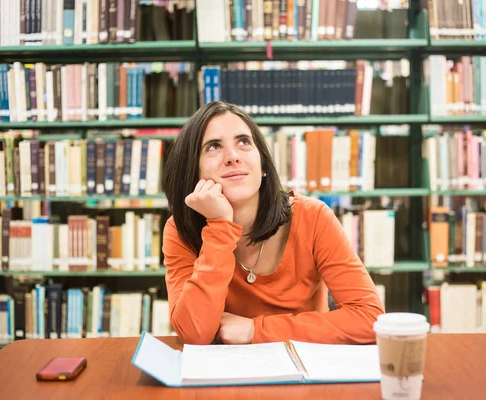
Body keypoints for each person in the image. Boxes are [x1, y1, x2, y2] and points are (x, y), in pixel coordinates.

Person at [161, 101, 385, 345]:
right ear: (192, 171)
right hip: (227, 374)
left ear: (264, 165)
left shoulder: (314, 216)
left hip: (307, 371)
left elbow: (370, 318)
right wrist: (219, 227)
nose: (233, 157)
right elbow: (194, 333)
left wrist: (255, 330)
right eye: (213, 146)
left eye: (244, 142)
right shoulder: (180, 230)